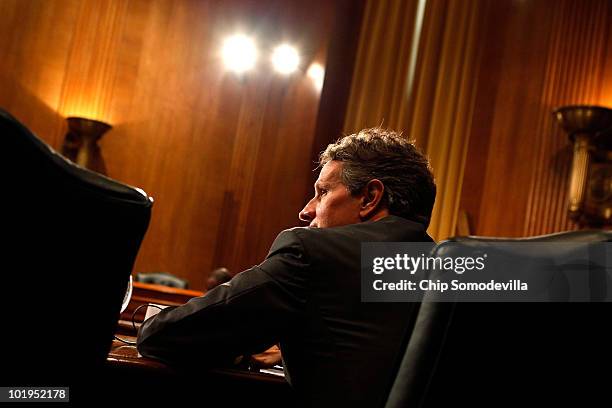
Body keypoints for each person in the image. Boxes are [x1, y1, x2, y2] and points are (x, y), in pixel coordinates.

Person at [137, 127, 436, 407]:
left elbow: (166, 336)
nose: (306, 211)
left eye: (323, 193)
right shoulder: (463, 271)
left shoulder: (310, 253)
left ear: (370, 198)